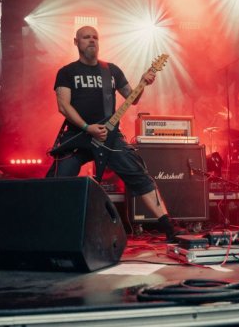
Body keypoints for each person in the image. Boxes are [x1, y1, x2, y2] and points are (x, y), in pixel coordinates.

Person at [46, 25, 184, 242]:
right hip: (78, 135)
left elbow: (132, 98)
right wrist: (87, 127)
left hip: (109, 136)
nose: (92, 40)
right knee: (57, 180)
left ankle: (169, 227)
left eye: (95, 37)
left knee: (139, 175)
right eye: (86, 37)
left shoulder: (111, 70)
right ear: (76, 42)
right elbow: (63, 106)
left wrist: (142, 83)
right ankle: (50, 229)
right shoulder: (67, 72)